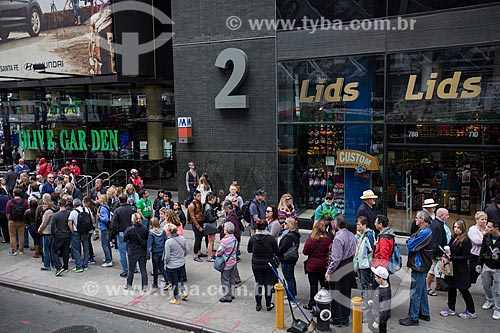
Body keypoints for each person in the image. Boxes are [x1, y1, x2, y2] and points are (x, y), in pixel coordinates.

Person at [399, 210, 433, 326]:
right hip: (421, 264)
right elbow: (411, 240)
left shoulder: (425, 232)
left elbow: (410, 245)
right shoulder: (424, 230)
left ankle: (413, 318)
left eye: (417, 217)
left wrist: (410, 241)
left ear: (422, 220)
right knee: (422, 289)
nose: (415, 219)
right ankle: (424, 313)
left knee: (415, 292)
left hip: (419, 265)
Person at [439, 219, 476, 319]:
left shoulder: (466, 240)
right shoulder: (454, 238)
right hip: (452, 268)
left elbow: (465, 256)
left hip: (461, 269)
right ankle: (451, 308)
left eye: (458, 227)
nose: (456, 229)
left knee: (464, 290)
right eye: (455, 227)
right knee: (452, 289)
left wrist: (452, 257)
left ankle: (471, 310)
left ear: (462, 228)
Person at [325, 214, 357, 327]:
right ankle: (345, 319)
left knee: (336, 295)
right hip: (349, 265)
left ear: (337, 224)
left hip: (340, 267)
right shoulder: (352, 235)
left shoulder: (338, 238)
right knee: (347, 294)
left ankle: (337, 319)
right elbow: (354, 251)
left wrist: (329, 272)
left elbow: (336, 258)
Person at [247, 220, 279, 312]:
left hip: (256, 264)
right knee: (268, 284)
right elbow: (276, 251)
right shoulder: (271, 239)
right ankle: (268, 304)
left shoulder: (253, 238)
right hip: (268, 264)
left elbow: (249, 250)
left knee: (258, 283)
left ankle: (258, 305)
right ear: (266, 227)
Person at [302, 220, 332, 310]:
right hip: (324, 265)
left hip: (312, 265)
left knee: (313, 285)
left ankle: (312, 303)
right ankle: (325, 302)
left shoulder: (311, 239)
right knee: (324, 285)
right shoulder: (328, 240)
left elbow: (305, 252)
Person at [476, 220, 500, 320]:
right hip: (487, 264)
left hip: (498, 267)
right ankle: (489, 299)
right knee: (485, 285)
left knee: (497, 289)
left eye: (490, 227)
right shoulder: (486, 236)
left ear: (496, 228)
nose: (487, 228)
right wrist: (479, 263)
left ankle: (497, 308)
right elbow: (482, 250)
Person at [111, 194, 137, 277]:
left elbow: (114, 224)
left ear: (119, 201)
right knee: (132, 251)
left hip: (122, 232)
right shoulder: (133, 209)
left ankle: (125, 270)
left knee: (122, 253)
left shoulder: (117, 211)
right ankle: (134, 267)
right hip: (132, 232)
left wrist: (116, 232)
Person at [164, 224, 189, 305]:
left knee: (174, 282)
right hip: (181, 263)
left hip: (172, 265)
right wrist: (182, 256)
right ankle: (183, 292)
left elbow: (167, 256)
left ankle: (176, 299)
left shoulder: (168, 242)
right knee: (179, 279)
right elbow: (187, 250)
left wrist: (166, 262)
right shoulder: (182, 239)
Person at [123, 213, 149, 291]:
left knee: (131, 269)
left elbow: (124, 239)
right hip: (142, 251)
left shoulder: (129, 229)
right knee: (143, 269)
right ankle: (144, 286)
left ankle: (129, 285)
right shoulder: (144, 229)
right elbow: (147, 238)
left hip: (132, 251)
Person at [354, 216, 375, 308]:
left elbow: (371, 250)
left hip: (365, 264)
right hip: (360, 263)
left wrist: (370, 264)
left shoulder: (368, 235)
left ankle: (366, 302)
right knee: (362, 282)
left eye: (359, 225)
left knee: (365, 283)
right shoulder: (362, 234)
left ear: (364, 225)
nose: (357, 226)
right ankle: (364, 300)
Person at [278, 217, 300, 302]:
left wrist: (277, 253)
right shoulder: (295, 235)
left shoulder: (289, 237)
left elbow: (282, 248)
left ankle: (291, 297)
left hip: (287, 259)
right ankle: (292, 293)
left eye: (286, 223)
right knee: (291, 277)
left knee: (289, 278)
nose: (284, 224)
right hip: (292, 259)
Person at [68, 198, 94, 273]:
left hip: (77, 232)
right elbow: (92, 219)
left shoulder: (73, 212)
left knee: (76, 249)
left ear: (74, 205)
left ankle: (78, 266)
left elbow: (69, 224)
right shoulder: (87, 209)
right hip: (86, 231)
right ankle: (85, 264)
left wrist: (72, 231)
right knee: (86, 247)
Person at [216, 222, 239, 303]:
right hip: (233, 262)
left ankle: (227, 296)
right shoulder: (235, 239)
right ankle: (232, 293)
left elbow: (219, 252)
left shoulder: (225, 241)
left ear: (226, 231)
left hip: (226, 263)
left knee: (225, 280)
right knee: (232, 279)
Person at [146, 217, 171, 289]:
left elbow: (149, 244)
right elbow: (165, 240)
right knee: (161, 267)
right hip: (162, 251)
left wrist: (147, 254)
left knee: (155, 268)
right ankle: (167, 280)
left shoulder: (151, 233)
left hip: (155, 252)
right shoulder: (162, 231)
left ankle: (155, 283)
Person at [50, 198, 72, 276]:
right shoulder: (69, 213)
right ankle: (65, 266)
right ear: (65, 204)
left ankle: (58, 266)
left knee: (54, 251)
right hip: (67, 234)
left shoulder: (55, 215)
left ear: (58, 205)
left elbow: (52, 227)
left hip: (59, 235)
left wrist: (53, 235)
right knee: (66, 250)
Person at [367, 266, 392, 333]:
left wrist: (377, 321)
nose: (375, 279)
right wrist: (374, 301)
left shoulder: (385, 292)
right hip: (377, 315)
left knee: (380, 330)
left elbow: (384, 308)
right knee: (371, 326)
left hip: (380, 318)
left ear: (381, 278)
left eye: (376, 277)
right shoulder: (381, 287)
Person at [6, 187, 29, 255]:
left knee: (12, 235)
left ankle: (14, 250)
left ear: (13, 194)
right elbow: (27, 210)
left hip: (12, 220)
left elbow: (7, 212)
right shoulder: (24, 201)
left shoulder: (10, 202)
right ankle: (21, 250)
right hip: (21, 220)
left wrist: (9, 219)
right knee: (21, 235)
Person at [468, 211, 488, 284]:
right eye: (482, 219)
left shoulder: (488, 229)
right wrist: (486, 239)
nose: (484, 221)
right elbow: (477, 241)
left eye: (485, 219)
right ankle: (465, 287)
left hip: (485, 255)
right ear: (477, 220)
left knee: (486, 274)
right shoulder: (473, 229)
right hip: (475, 254)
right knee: (473, 273)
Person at [37, 199, 54, 271]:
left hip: (46, 233)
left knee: (46, 250)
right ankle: (52, 264)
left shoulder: (48, 212)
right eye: (43, 204)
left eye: (45, 204)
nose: (43, 205)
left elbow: (44, 223)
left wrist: (39, 230)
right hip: (50, 233)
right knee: (50, 249)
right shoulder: (51, 211)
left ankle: (47, 265)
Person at [188, 190, 205, 262]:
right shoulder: (192, 205)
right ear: (194, 196)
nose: (200, 197)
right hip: (196, 223)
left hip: (201, 221)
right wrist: (198, 226)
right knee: (197, 238)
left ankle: (199, 252)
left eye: (200, 195)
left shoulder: (200, 203)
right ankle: (195, 255)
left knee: (200, 238)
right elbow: (192, 217)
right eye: (198, 196)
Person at [97, 194, 113, 267]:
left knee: (105, 244)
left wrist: (100, 216)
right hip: (107, 228)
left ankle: (108, 260)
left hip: (104, 228)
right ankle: (109, 257)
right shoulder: (106, 207)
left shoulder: (102, 208)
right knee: (107, 244)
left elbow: (105, 219)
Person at [203, 192, 218, 261]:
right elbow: (210, 219)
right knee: (210, 241)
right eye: (215, 198)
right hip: (210, 226)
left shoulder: (207, 206)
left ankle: (210, 254)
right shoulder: (209, 207)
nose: (215, 200)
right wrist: (217, 216)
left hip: (209, 226)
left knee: (210, 241)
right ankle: (209, 256)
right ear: (211, 199)